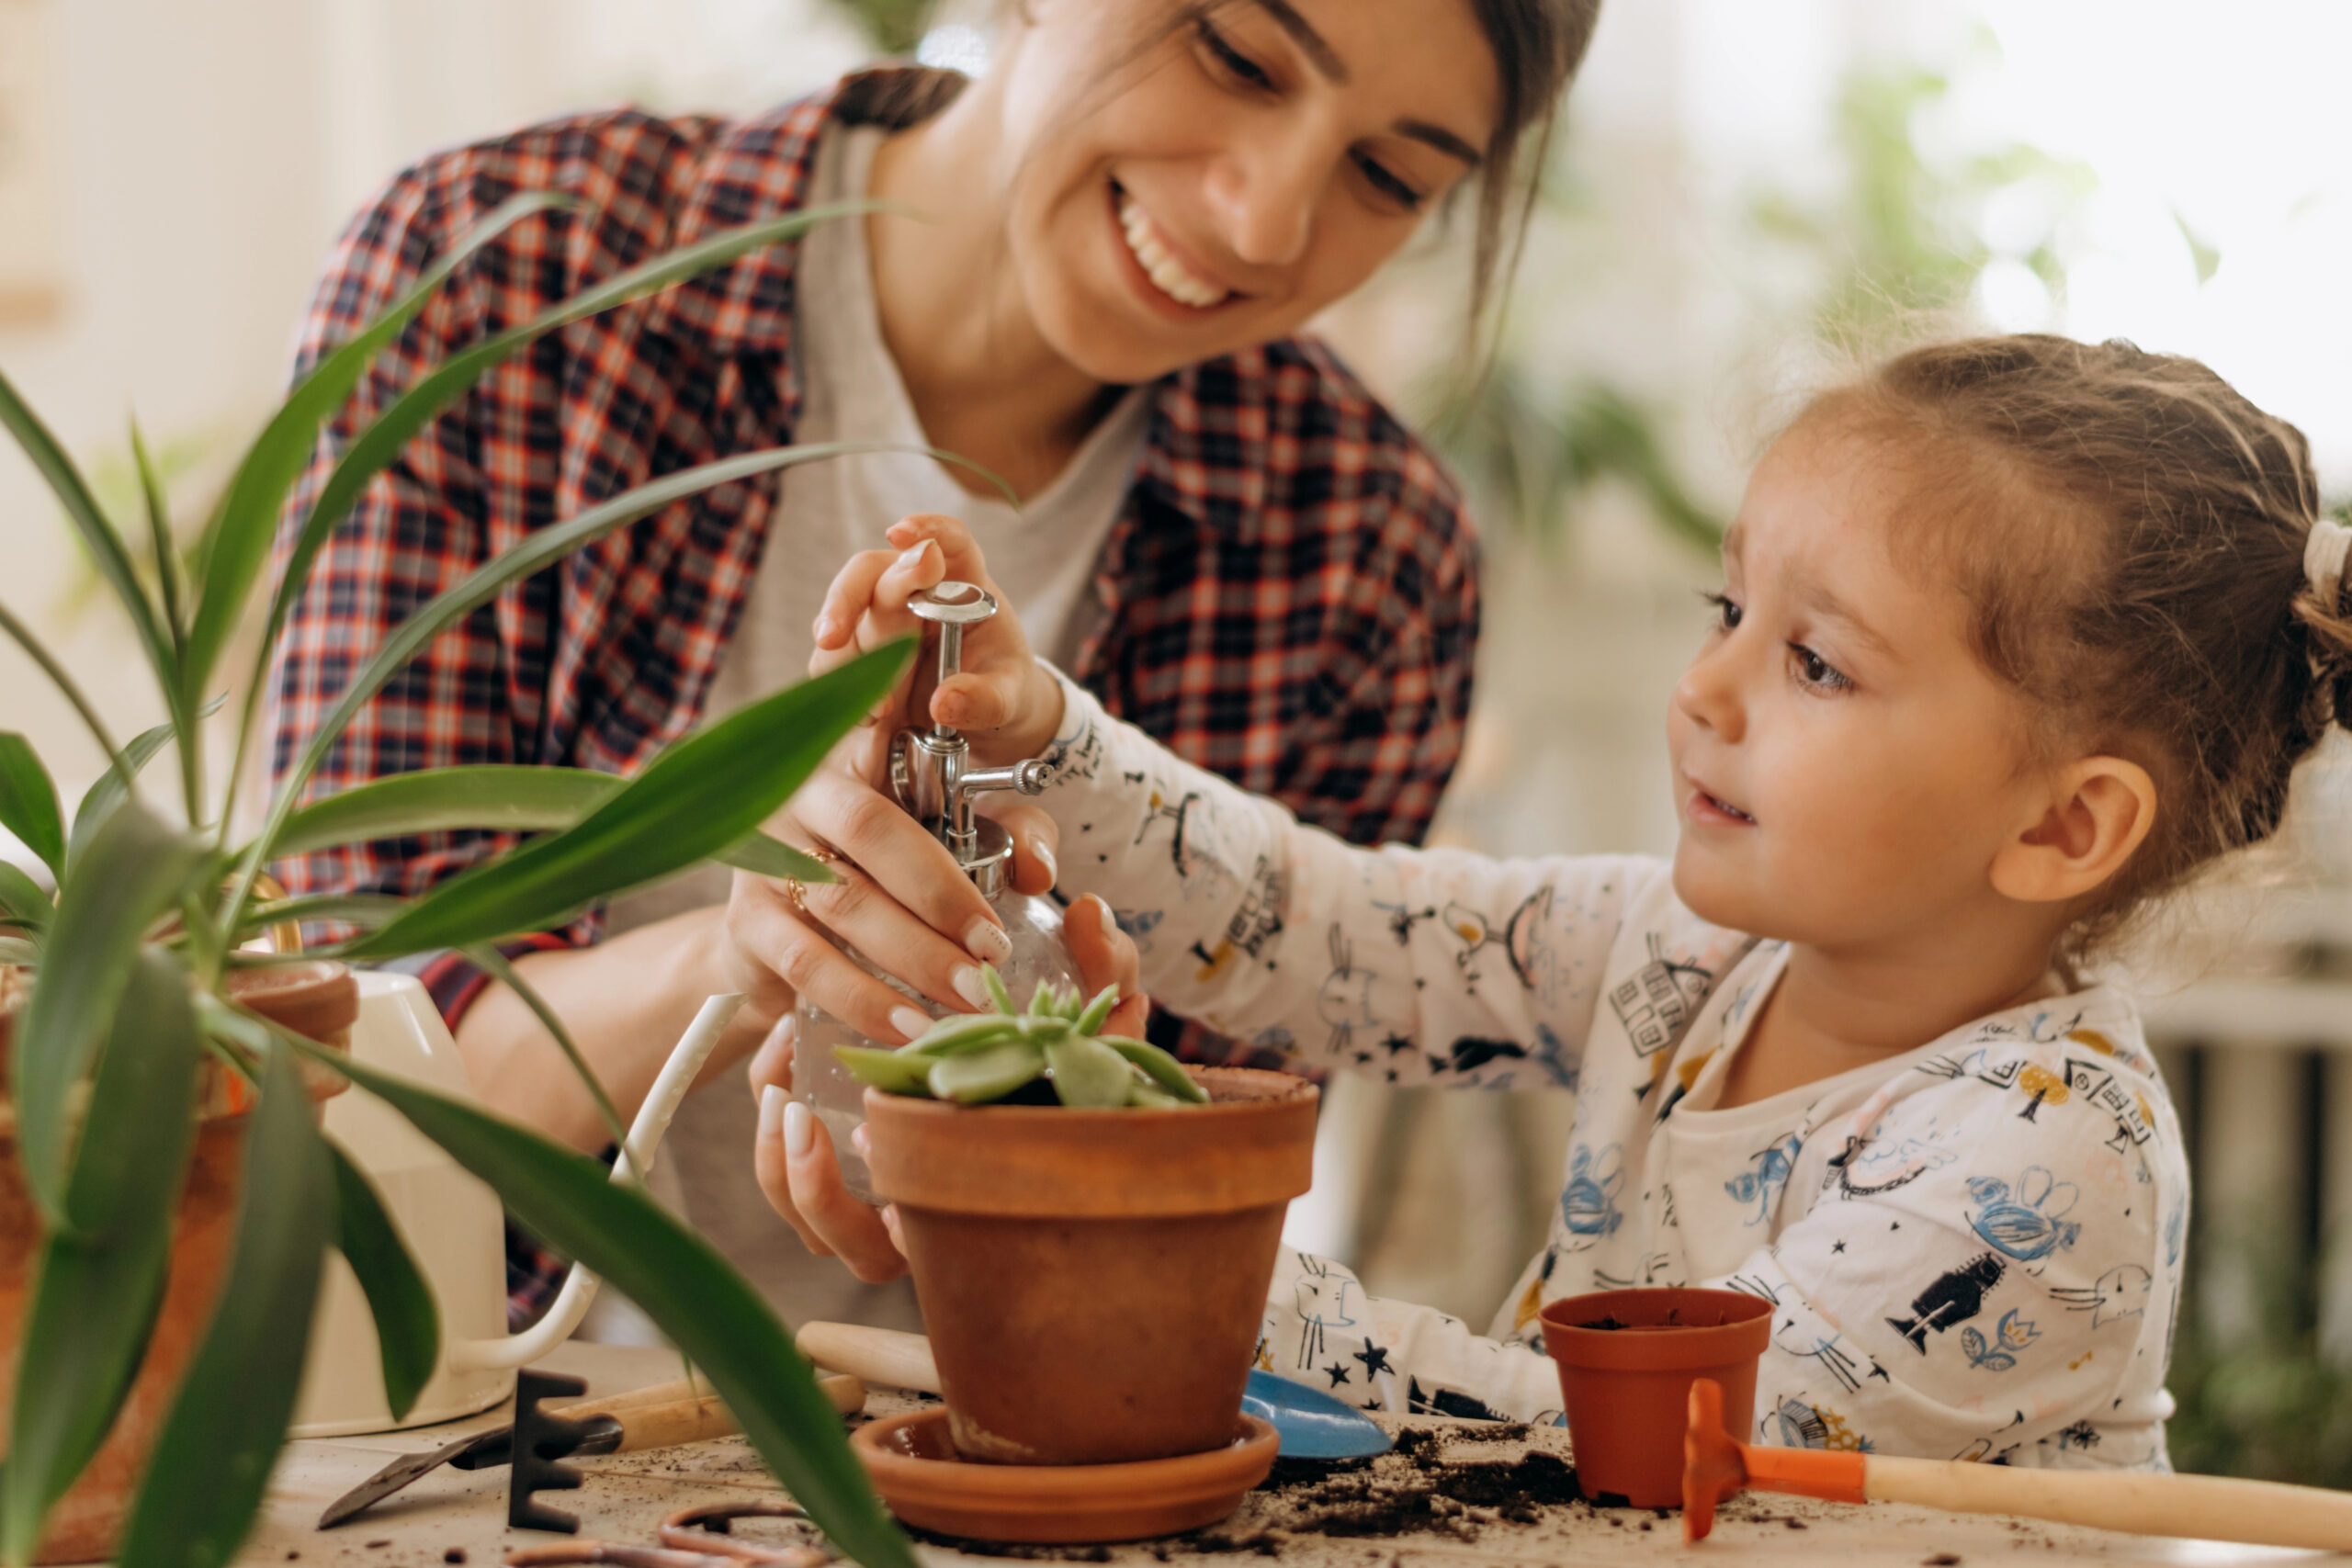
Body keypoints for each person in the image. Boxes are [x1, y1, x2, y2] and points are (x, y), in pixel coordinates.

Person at [770, 333, 2346, 1467]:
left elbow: (1633, 1451)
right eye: (1728, 609)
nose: (1707, 687)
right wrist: (1048, 734)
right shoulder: (1689, 948)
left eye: (1814, 661)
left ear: (2065, 824)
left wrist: (1123, 1240)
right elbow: (1317, 936)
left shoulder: (2050, 1149)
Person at [263, 0, 1601, 1325]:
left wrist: (1034, 1168)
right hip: (475, 1447)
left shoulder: (1369, 553)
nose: (1265, 224)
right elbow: (348, 1063)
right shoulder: (507, 282)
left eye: (1387, 175)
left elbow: (1173, 1209)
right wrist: (748, 954)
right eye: (1239, 56)